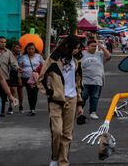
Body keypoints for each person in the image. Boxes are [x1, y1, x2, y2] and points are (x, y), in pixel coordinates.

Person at [37, 35, 84, 166]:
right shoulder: (53, 59)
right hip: (56, 101)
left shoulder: (77, 60)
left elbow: (79, 82)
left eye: (78, 48)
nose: (77, 50)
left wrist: (80, 103)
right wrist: (50, 93)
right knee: (57, 131)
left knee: (67, 134)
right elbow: (40, 80)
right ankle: (54, 157)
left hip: (72, 98)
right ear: (68, 46)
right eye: (75, 48)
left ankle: (64, 162)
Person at [81, 39, 111, 119]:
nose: (94, 47)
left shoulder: (100, 54)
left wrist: (103, 48)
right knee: (83, 96)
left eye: (95, 46)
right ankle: (80, 111)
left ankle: (93, 112)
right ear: (87, 47)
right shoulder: (82, 54)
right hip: (84, 80)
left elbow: (108, 56)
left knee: (94, 97)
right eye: (92, 46)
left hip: (97, 80)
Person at [0, 36, 19, 117]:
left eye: (4, 42)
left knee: (3, 96)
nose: (3, 44)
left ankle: (2, 111)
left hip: (4, 77)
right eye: (1, 42)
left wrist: (18, 68)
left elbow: (13, 63)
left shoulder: (8, 52)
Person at [18, 42, 44, 116]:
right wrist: (19, 76)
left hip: (36, 78)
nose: (31, 50)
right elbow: (19, 67)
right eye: (29, 49)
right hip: (26, 78)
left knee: (35, 93)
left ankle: (33, 109)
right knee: (29, 93)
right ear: (26, 49)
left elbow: (43, 66)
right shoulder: (23, 57)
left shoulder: (39, 56)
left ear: (34, 49)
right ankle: (31, 108)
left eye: (32, 49)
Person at [8, 42, 24, 114]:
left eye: (19, 48)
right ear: (13, 48)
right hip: (11, 74)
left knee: (20, 92)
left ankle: (20, 106)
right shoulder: (9, 55)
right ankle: (11, 107)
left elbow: (22, 67)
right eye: (17, 47)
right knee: (12, 91)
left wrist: (19, 78)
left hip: (20, 74)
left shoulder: (22, 56)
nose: (18, 49)